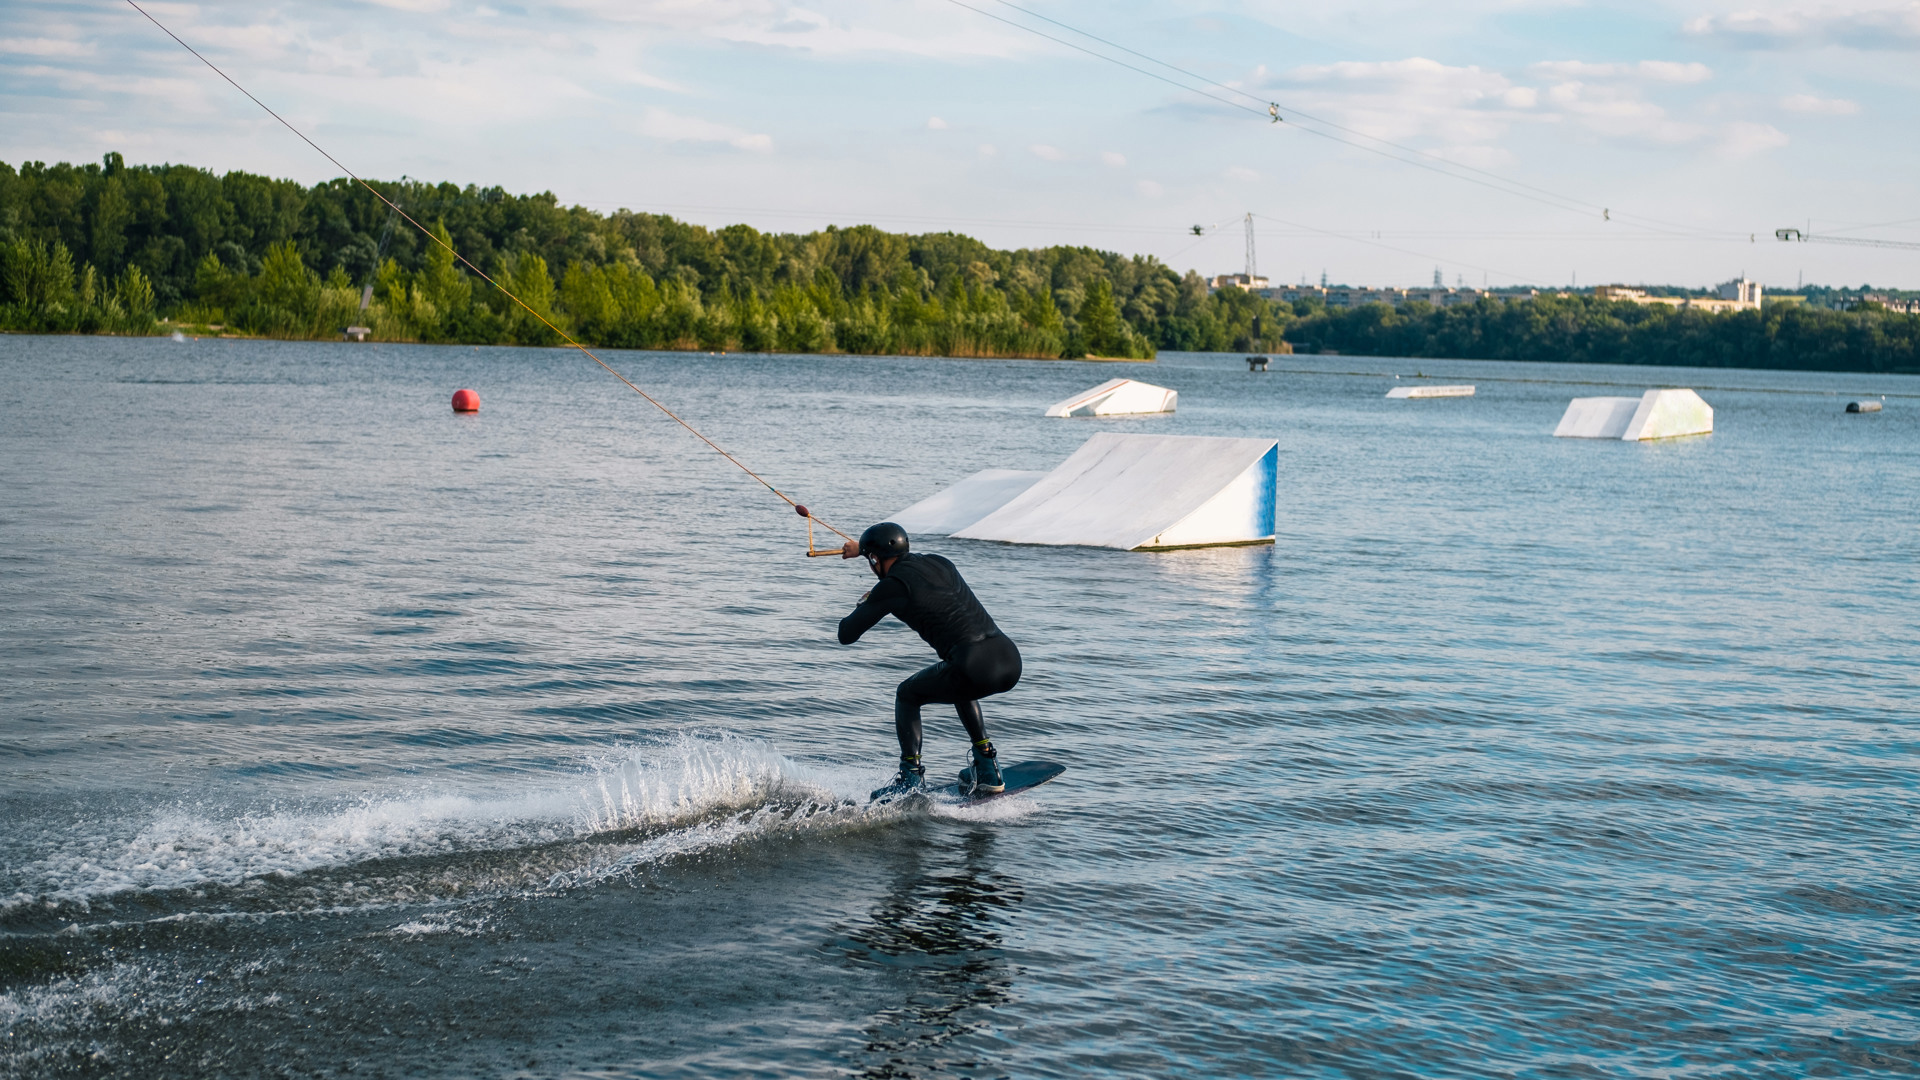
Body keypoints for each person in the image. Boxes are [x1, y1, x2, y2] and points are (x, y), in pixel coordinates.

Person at [837, 522, 1021, 798]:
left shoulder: (891, 587)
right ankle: (987, 765)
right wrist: (862, 550)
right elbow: (915, 576)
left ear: (875, 559)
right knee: (959, 684)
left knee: (907, 694)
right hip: (1009, 658)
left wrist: (868, 601)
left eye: (871, 560)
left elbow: (846, 634)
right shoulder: (940, 562)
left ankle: (910, 779)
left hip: (971, 666)